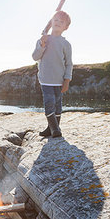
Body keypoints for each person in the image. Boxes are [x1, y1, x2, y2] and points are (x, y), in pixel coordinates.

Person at [32, 10, 73, 138]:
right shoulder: (43, 39)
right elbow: (35, 57)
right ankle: (55, 129)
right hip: (45, 80)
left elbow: (69, 64)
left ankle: (52, 128)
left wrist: (67, 80)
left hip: (59, 80)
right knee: (49, 103)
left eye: (61, 22)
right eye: (55, 20)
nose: (58, 23)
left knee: (57, 105)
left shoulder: (66, 44)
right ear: (51, 22)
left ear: (66, 27)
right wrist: (42, 44)